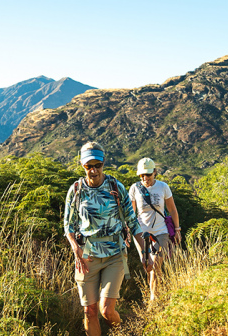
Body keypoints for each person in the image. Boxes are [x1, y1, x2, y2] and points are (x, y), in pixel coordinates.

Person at [64, 142, 151, 336]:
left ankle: (120, 331)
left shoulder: (115, 187)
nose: (93, 170)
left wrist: (145, 253)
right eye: (89, 166)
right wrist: (75, 249)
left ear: (104, 162)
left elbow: (133, 223)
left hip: (115, 254)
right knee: (90, 310)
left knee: (107, 310)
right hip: (87, 255)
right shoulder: (76, 190)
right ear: (82, 165)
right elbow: (68, 226)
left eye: (98, 165)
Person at [128, 157, 181, 302]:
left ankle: (154, 299)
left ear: (155, 172)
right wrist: (127, 231)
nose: (145, 178)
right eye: (142, 175)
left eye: (148, 174)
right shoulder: (134, 189)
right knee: (147, 265)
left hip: (161, 232)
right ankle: (152, 291)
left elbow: (172, 210)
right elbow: (131, 213)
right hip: (142, 233)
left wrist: (177, 230)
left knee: (156, 263)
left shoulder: (163, 187)